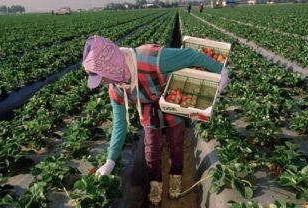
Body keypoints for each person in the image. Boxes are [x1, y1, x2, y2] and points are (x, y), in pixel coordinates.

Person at [82, 36, 228, 207]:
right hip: (148, 110)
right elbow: (119, 125)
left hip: (172, 99)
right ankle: (155, 184)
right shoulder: (117, 88)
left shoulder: (151, 58)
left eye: (102, 77)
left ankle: (176, 178)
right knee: (151, 147)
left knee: (176, 143)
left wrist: (221, 71)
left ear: (109, 66)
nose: (104, 82)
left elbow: (191, 55)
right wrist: (110, 161)